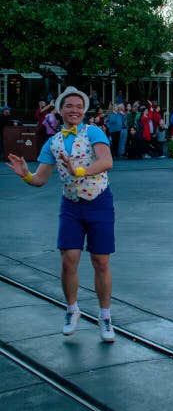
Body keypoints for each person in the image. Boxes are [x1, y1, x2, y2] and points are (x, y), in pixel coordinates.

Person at [5, 87, 116, 342]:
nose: (74, 110)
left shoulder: (93, 132)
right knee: (68, 260)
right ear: (60, 110)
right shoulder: (53, 142)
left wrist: (78, 171)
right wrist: (25, 175)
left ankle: (105, 315)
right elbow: (40, 179)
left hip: (99, 201)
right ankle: (71, 309)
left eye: (78, 106)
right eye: (69, 106)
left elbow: (106, 161)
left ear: (83, 110)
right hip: (71, 205)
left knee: (101, 261)